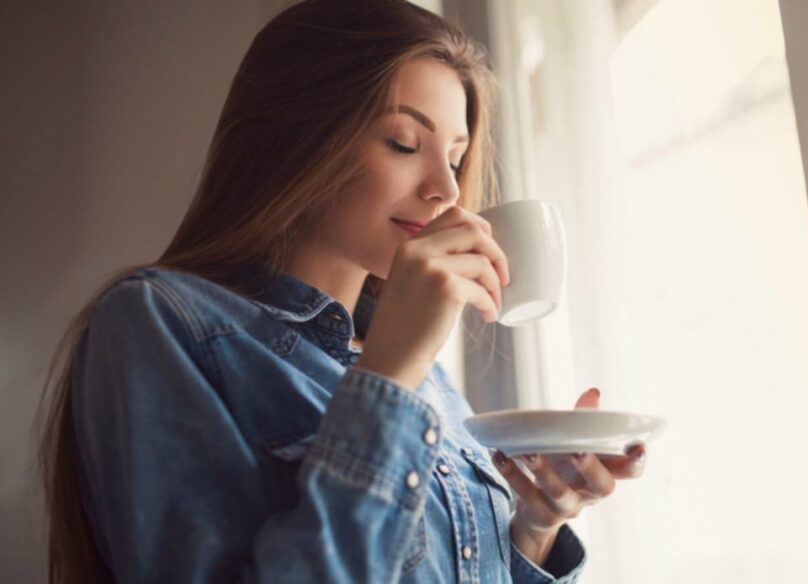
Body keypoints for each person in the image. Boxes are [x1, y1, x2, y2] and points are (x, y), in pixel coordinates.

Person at [36, 1, 647, 582]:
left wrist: (535, 527)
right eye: (404, 144)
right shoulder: (159, 323)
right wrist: (388, 376)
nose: (447, 191)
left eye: (456, 160)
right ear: (298, 136)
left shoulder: (422, 375)